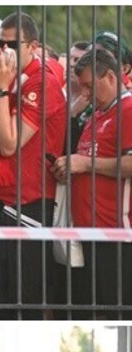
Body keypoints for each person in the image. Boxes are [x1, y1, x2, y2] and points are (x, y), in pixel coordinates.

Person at [0, 12, 66, 319]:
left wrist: (2, 89)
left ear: (33, 46)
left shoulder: (43, 83)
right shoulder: (14, 77)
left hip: (29, 205)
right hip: (3, 200)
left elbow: (8, 142)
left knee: (20, 300)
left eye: (12, 44)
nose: (3, 51)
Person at [53, 47, 132, 317]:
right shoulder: (97, 114)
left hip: (116, 235)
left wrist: (84, 164)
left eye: (88, 86)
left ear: (110, 76)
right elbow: (86, 161)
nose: (84, 94)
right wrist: (69, 168)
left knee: (115, 312)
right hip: (89, 233)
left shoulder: (129, 109)